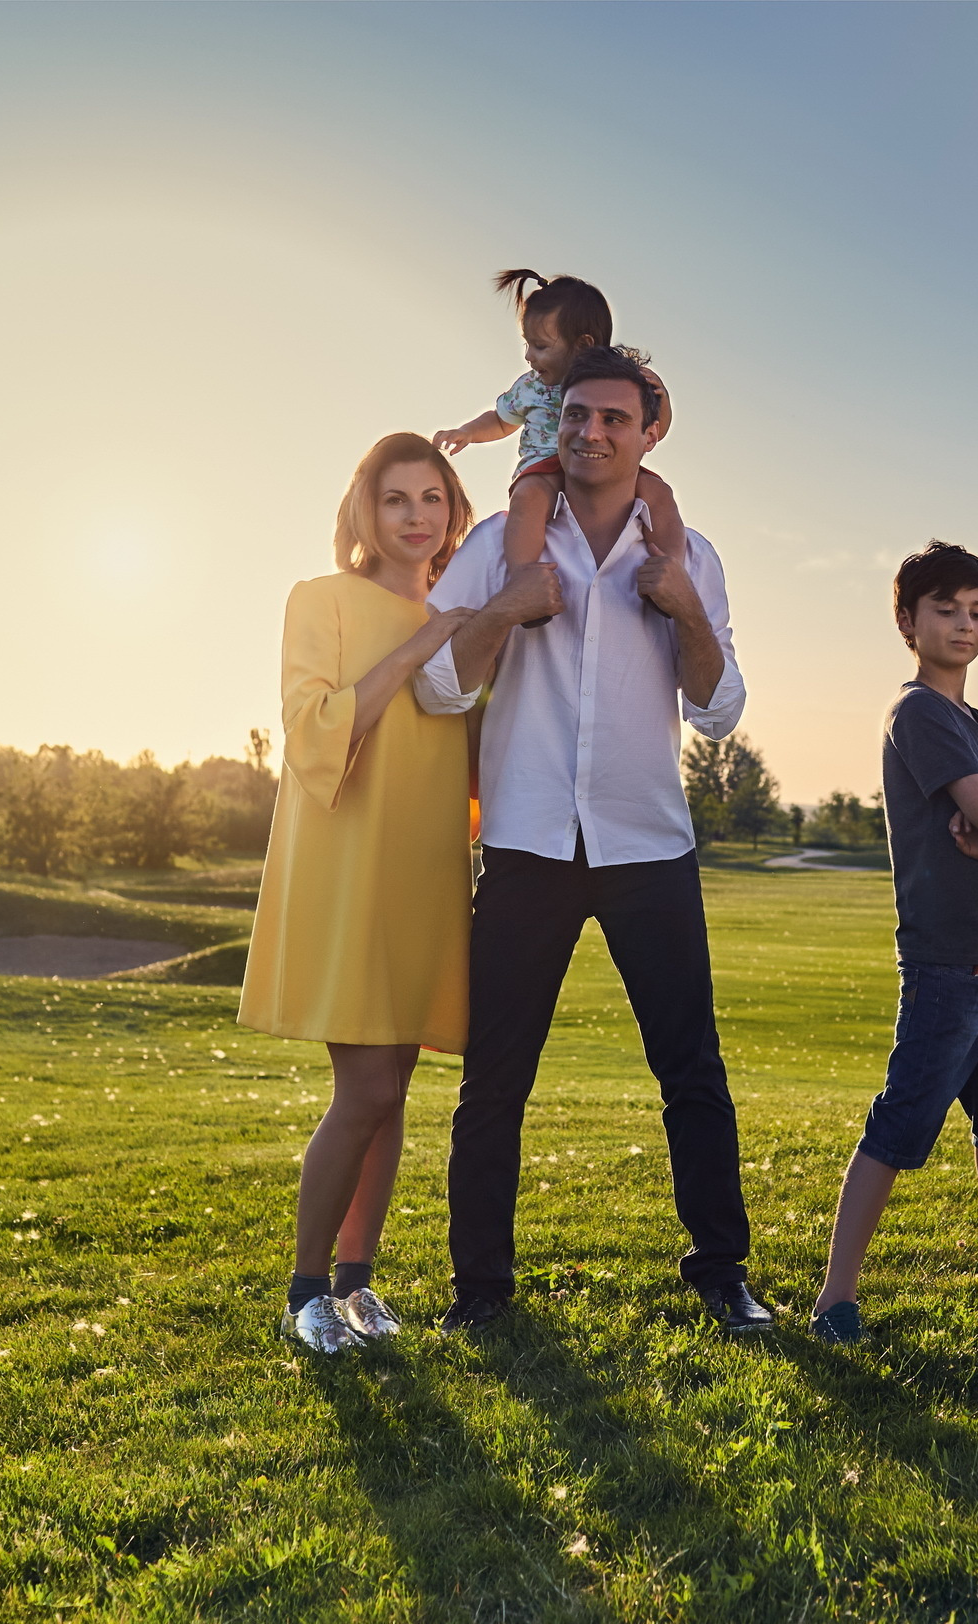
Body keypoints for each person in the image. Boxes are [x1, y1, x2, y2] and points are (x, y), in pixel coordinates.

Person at [413, 344, 769, 1334]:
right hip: (526, 843)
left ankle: (721, 1274)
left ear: (650, 431)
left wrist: (685, 606)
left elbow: (718, 710)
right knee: (495, 1079)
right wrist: (506, 607)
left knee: (691, 1070)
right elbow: (440, 686)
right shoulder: (500, 543)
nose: (591, 434)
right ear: (555, 424)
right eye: (575, 417)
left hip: (647, 846)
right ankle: (478, 1292)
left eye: (614, 418)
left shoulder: (690, 557)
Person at [240, 433, 478, 1355]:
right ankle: (304, 1294)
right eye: (395, 500)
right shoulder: (322, 600)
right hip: (346, 861)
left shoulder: (458, 614)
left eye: (432, 499)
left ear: (453, 512)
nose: (416, 517)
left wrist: (456, 630)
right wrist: (429, 641)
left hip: (425, 866)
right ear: (363, 514)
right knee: (366, 1084)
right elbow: (313, 729)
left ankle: (358, 1286)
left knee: (397, 1085)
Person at [809, 541, 978, 1346]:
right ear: (907, 621)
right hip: (944, 963)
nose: (965, 625)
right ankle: (834, 1301)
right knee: (901, 1122)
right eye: (947, 610)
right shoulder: (917, 712)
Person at [431, 270, 686, 622]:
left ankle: (670, 575)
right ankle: (524, 580)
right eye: (528, 344)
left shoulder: (619, 382)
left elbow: (655, 428)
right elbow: (503, 419)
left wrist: (661, 397)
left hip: (607, 466)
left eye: (540, 346)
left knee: (659, 493)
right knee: (528, 499)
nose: (528, 356)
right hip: (544, 466)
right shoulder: (532, 387)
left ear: (581, 345)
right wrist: (467, 432)